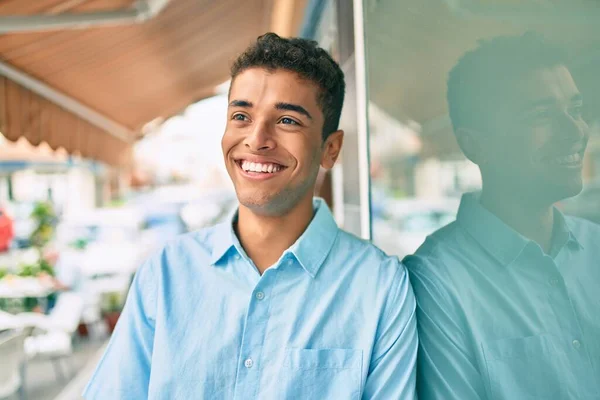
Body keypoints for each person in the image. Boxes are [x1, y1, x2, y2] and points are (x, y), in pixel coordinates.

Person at [84, 33, 417, 399]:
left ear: (330, 149)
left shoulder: (381, 287)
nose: (257, 139)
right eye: (241, 116)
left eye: (288, 120)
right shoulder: (165, 273)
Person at [404, 32, 600, 399]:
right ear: (475, 144)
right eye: (541, 115)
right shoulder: (437, 282)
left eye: (575, 109)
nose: (574, 131)